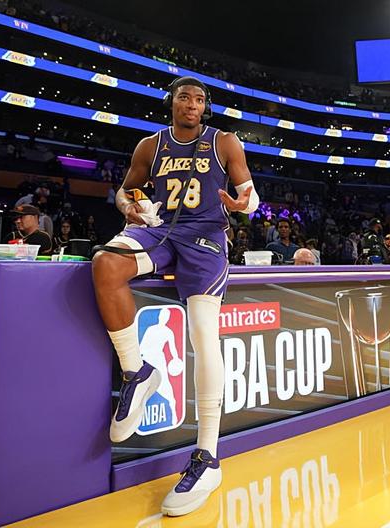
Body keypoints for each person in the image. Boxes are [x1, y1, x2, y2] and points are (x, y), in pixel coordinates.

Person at [91, 76, 258, 517]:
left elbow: (251, 196)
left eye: (199, 99)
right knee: (105, 264)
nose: (192, 104)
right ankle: (138, 371)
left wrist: (241, 204)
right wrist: (128, 207)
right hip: (161, 231)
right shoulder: (150, 146)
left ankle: (207, 457)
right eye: (185, 97)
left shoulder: (224, 141)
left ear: (205, 107)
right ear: (172, 102)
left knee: (204, 335)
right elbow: (125, 191)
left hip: (205, 239)